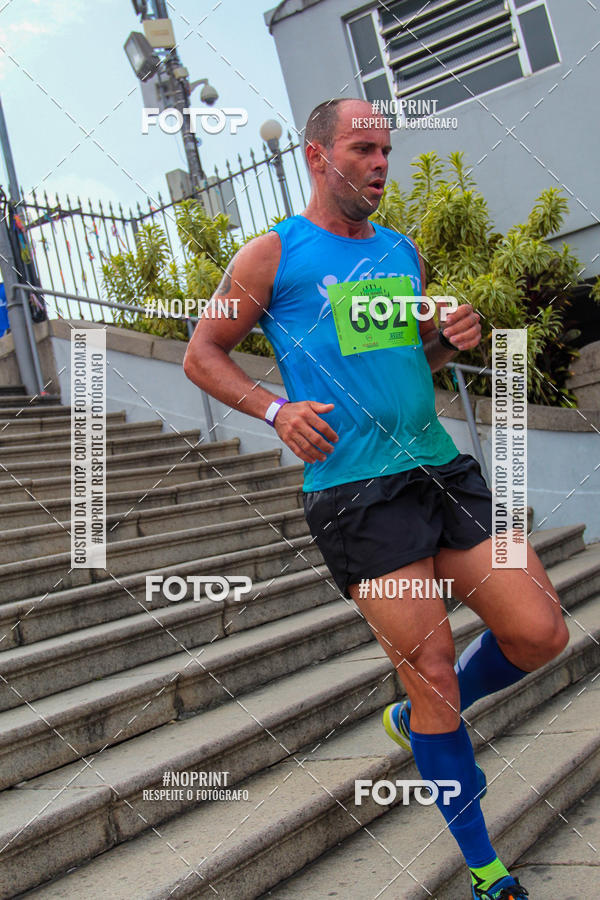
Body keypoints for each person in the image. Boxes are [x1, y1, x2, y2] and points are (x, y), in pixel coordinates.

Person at [183, 97, 569, 899]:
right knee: (431, 670)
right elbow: (201, 353)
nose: (380, 165)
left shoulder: (400, 251)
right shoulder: (269, 256)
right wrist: (276, 409)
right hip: (356, 494)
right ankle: (484, 862)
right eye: (363, 149)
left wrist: (447, 334)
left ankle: (423, 724)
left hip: (440, 470)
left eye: (386, 150)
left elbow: (409, 352)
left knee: (540, 632)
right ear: (318, 157)